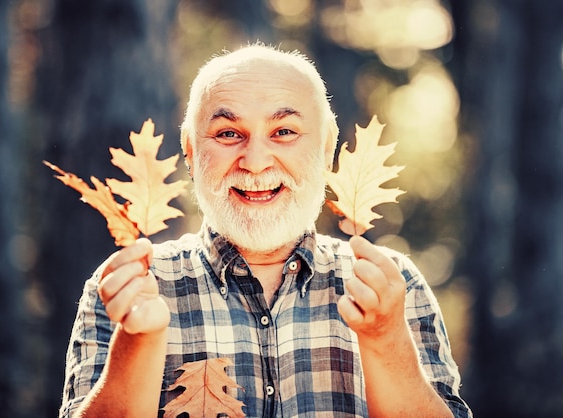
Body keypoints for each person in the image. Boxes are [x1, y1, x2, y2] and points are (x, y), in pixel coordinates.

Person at [59, 44, 472, 417]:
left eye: (284, 132)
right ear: (190, 150)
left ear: (327, 146)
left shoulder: (391, 288)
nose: (255, 162)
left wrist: (386, 341)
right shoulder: (127, 289)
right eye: (227, 134)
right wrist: (137, 343)